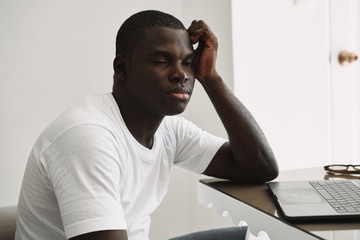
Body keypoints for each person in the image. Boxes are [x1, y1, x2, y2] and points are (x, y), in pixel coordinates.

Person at [15, 10, 278, 240]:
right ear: (122, 68)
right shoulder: (87, 137)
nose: (181, 74)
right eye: (162, 61)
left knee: (263, 238)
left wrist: (211, 77)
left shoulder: (169, 130)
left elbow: (259, 167)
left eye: (188, 62)